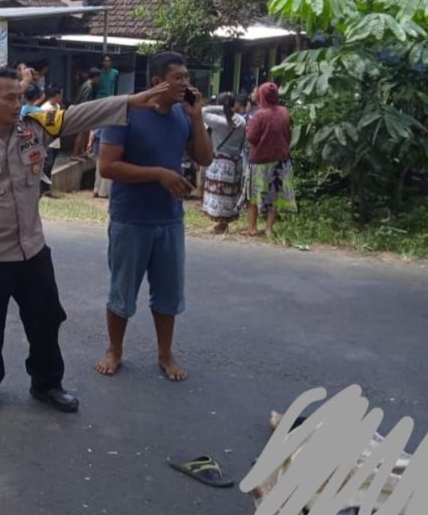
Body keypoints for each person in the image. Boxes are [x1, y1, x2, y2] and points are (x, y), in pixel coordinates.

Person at [0, 68, 173, 413]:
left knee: (46, 320)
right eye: (8, 98)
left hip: (32, 250)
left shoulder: (35, 128)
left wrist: (130, 100)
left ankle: (47, 384)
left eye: (19, 97)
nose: (16, 104)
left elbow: (80, 114)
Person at [94, 51, 213, 382]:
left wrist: (196, 116)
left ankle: (165, 354)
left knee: (168, 292)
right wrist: (159, 174)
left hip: (169, 218)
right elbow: (107, 166)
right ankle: (114, 350)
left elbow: (204, 158)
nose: (185, 84)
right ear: (158, 81)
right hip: (130, 218)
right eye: (179, 78)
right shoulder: (125, 112)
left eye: (187, 77)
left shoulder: (181, 115)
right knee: (122, 290)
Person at [244, 81, 296, 237]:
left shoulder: (260, 114)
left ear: (261, 96)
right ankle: (269, 228)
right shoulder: (284, 112)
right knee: (275, 195)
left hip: (260, 161)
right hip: (281, 159)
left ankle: (252, 227)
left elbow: (251, 138)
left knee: (253, 195)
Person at [201, 92, 247, 233]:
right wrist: (229, 109)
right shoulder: (241, 121)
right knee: (229, 194)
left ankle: (221, 225)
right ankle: (224, 224)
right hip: (234, 161)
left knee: (218, 193)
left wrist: (222, 108)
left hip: (220, 161)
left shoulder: (218, 121)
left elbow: (202, 111)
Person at [71, 69, 101, 158]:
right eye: (98, 77)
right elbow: (84, 102)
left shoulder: (85, 85)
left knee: (83, 132)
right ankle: (75, 153)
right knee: (81, 132)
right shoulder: (88, 87)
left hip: (79, 110)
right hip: (81, 111)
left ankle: (81, 152)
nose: (99, 80)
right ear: (95, 77)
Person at [40, 85, 64, 194]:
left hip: (56, 141)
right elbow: (50, 126)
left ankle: (47, 188)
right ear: (57, 95)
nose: (61, 97)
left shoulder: (57, 106)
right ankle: (43, 188)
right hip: (48, 142)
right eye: (60, 95)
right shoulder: (47, 108)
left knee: (51, 165)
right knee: (47, 165)